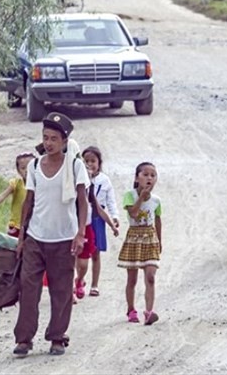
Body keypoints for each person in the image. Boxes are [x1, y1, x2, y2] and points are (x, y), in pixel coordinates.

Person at [13, 112, 89, 357]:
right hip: (36, 237)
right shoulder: (35, 165)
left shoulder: (75, 166)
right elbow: (29, 201)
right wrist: (22, 236)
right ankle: (24, 339)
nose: (49, 143)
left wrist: (80, 234)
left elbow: (82, 201)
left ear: (65, 141)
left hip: (64, 239)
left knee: (61, 290)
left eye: (54, 139)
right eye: (45, 138)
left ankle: (57, 336)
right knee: (28, 289)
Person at [118, 162, 162, 326]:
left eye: (153, 175)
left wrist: (159, 240)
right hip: (134, 237)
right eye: (145, 174)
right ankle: (131, 309)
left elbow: (157, 220)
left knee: (150, 276)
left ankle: (149, 312)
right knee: (132, 279)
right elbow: (134, 214)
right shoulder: (130, 196)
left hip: (150, 238)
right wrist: (142, 197)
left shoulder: (157, 200)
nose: (149, 178)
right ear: (137, 178)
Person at [74, 149, 119, 300]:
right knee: (77, 252)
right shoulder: (78, 181)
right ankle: (79, 279)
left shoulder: (104, 180)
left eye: (93, 161)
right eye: (86, 161)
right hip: (80, 221)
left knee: (96, 253)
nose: (90, 164)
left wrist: (114, 219)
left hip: (97, 221)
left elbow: (109, 201)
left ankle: (94, 284)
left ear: (99, 163)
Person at [0, 152, 36, 237]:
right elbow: (2, 196)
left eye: (30, 167)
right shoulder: (17, 183)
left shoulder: (40, 185)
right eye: (23, 168)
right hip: (16, 226)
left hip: (33, 226)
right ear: (18, 171)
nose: (26, 171)